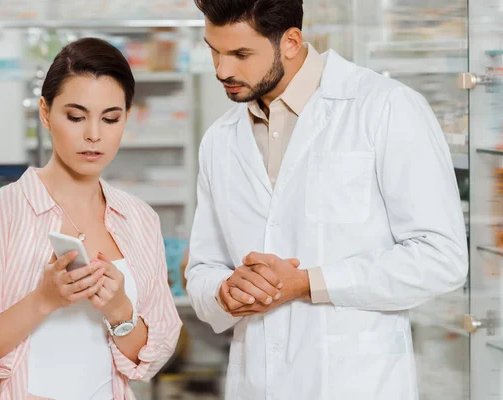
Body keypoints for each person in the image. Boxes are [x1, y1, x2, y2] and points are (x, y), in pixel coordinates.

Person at [185, 1, 468, 399]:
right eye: (213, 49)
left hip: (356, 383)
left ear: (291, 42)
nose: (221, 70)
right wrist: (224, 291)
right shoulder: (220, 138)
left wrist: (306, 283)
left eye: (240, 54)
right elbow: (202, 269)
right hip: (256, 384)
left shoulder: (384, 107)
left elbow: (442, 257)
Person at [0, 38, 182, 400]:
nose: (94, 135)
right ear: (45, 112)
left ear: (126, 118)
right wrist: (43, 299)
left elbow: (152, 355)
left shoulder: (139, 219)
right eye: (76, 116)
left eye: (111, 118)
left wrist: (120, 311)